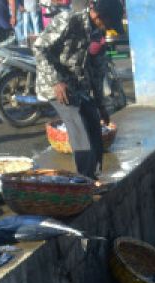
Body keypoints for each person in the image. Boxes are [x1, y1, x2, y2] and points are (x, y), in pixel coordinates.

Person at [34, 0, 121, 179]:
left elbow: (97, 71)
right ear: (97, 15)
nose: (108, 28)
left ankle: (93, 177)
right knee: (78, 124)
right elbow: (40, 48)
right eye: (108, 22)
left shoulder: (97, 33)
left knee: (93, 121)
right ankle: (84, 179)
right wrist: (56, 81)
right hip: (55, 85)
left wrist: (100, 105)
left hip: (77, 87)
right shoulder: (68, 20)